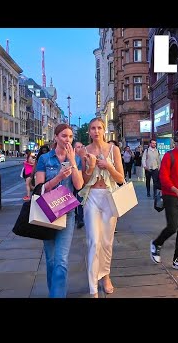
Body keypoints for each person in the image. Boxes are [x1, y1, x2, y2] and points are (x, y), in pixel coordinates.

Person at [35, 124, 84, 298]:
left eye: (70, 137)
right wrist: (59, 178)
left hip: (67, 213)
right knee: (51, 261)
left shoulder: (76, 159)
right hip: (47, 213)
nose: (67, 140)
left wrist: (72, 161)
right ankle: (54, 292)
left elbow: (78, 185)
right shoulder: (44, 159)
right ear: (56, 137)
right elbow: (39, 188)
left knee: (61, 261)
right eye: (64, 136)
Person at [78, 118, 125, 298]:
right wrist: (90, 167)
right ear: (89, 132)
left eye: (99, 128)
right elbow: (83, 181)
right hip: (92, 198)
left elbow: (120, 178)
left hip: (109, 198)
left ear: (104, 130)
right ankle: (93, 288)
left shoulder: (113, 150)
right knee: (94, 242)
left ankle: (106, 276)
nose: (96, 131)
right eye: (92, 128)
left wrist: (108, 166)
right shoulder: (84, 151)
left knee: (106, 242)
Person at [150, 129, 178, 272]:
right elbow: (164, 178)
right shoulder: (169, 156)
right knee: (172, 226)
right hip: (171, 196)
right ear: (176, 140)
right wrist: (177, 191)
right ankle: (157, 243)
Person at [73, 141, 85, 229]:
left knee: (80, 200)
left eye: (81, 146)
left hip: (82, 181)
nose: (80, 148)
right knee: (73, 200)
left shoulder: (84, 157)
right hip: (71, 182)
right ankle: (76, 217)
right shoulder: (72, 157)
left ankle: (80, 218)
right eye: (78, 147)